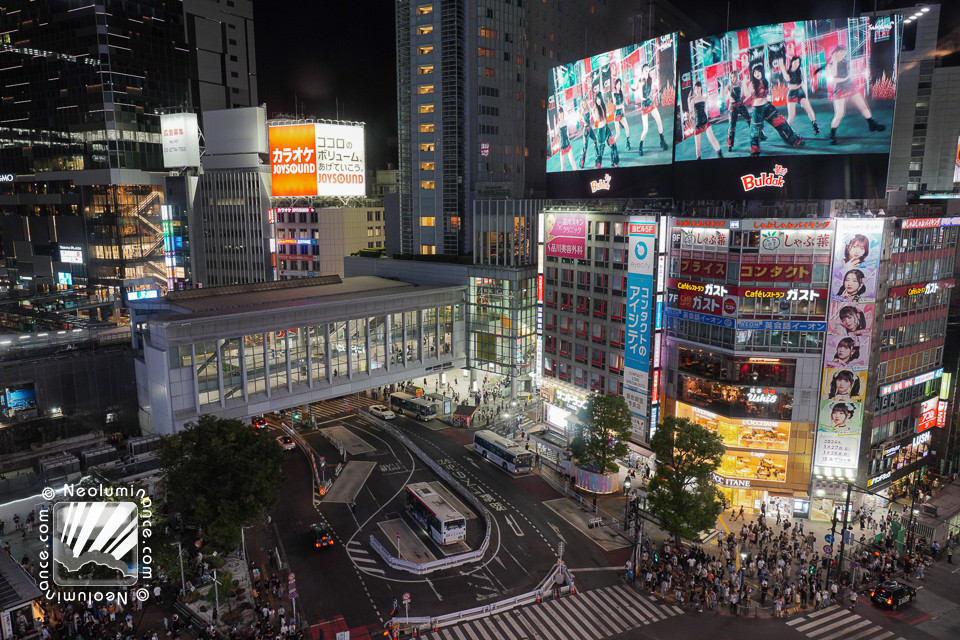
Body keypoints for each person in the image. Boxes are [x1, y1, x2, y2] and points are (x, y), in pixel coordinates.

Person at [821, 45, 886, 145]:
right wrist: (835, 61)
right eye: (841, 52)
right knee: (839, 114)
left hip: (850, 87)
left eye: (844, 53)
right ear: (836, 52)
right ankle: (832, 135)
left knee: (863, 106)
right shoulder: (830, 65)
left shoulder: (846, 62)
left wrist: (847, 77)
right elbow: (835, 77)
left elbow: (848, 74)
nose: (843, 55)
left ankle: (872, 125)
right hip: (840, 89)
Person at [745, 64, 803, 156]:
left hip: (768, 107)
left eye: (758, 71)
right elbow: (747, 93)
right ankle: (755, 150)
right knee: (755, 130)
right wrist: (745, 82)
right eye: (755, 72)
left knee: (782, 123)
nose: (756, 74)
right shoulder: (753, 84)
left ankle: (795, 140)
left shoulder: (765, 82)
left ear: (762, 72)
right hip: (757, 110)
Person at [775, 56, 821, 135]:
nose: (797, 64)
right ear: (791, 62)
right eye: (795, 62)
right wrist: (782, 67)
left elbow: (801, 83)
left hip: (800, 92)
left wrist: (805, 93)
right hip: (792, 94)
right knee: (792, 115)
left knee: (809, 109)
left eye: (798, 62)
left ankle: (815, 128)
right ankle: (787, 132)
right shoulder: (788, 72)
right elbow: (787, 79)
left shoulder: (799, 71)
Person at [633, 63, 668, 156]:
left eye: (648, 70)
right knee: (645, 129)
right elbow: (640, 95)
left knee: (659, 121)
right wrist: (645, 97)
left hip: (650, 101)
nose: (647, 71)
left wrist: (650, 97)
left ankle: (662, 141)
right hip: (644, 104)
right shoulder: (641, 81)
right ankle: (640, 146)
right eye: (645, 70)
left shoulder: (650, 79)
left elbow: (649, 91)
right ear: (642, 71)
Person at [725, 69, 763, 151]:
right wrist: (721, 85)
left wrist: (745, 81)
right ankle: (730, 145)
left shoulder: (740, 83)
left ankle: (758, 135)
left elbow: (745, 93)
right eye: (731, 77)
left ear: (737, 77)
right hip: (733, 107)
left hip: (741, 104)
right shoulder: (728, 86)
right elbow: (722, 94)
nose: (732, 79)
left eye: (734, 77)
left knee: (750, 120)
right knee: (732, 126)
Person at [687, 81, 723, 159]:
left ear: (701, 88)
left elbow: (706, 110)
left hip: (705, 121)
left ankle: (720, 156)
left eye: (698, 88)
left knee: (712, 139)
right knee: (698, 147)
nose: (697, 90)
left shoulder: (705, 98)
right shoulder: (693, 100)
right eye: (695, 88)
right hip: (697, 123)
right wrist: (689, 106)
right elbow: (692, 114)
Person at [591, 91, 620, 168]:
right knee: (600, 153)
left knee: (613, 144)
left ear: (601, 99)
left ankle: (614, 161)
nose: (598, 101)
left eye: (599, 99)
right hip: (601, 131)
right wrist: (593, 111)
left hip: (606, 128)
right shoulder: (596, 109)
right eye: (596, 100)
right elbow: (596, 119)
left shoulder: (603, 106)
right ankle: (597, 166)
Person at [550, 107, 576, 171]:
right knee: (562, 167)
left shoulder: (566, 122)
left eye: (562, 114)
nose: (561, 115)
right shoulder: (558, 124)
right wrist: (555, 123)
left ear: (563, 114)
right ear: (558, 115)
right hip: (562, 146)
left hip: (568, 144)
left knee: (572, 161)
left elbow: (567, 133)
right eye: (560, 114)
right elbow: (556, 133)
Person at [578, 99, 599, 168]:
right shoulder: (582, 113)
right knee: (585, 147)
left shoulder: (588, 110)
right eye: (583, 104)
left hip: (589, 128)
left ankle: (597, 155)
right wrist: (582, 119)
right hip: (586, 130)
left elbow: (592, 109)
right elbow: (584, 121)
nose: (584, 105)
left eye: (585, 103)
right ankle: (581, 163)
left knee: (595, 140)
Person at [611, 77, 631, 149]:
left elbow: (623, 103)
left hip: (621, 112)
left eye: (620, 84)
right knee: (618, 133)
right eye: (617, 84)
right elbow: (615, 103)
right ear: (615, 85)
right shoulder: (613, 93)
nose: (619, 86)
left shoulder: (621, 92)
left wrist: (623, 110)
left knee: (627, 127)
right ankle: (613, 146)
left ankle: (628, 142)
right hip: (617, 113)